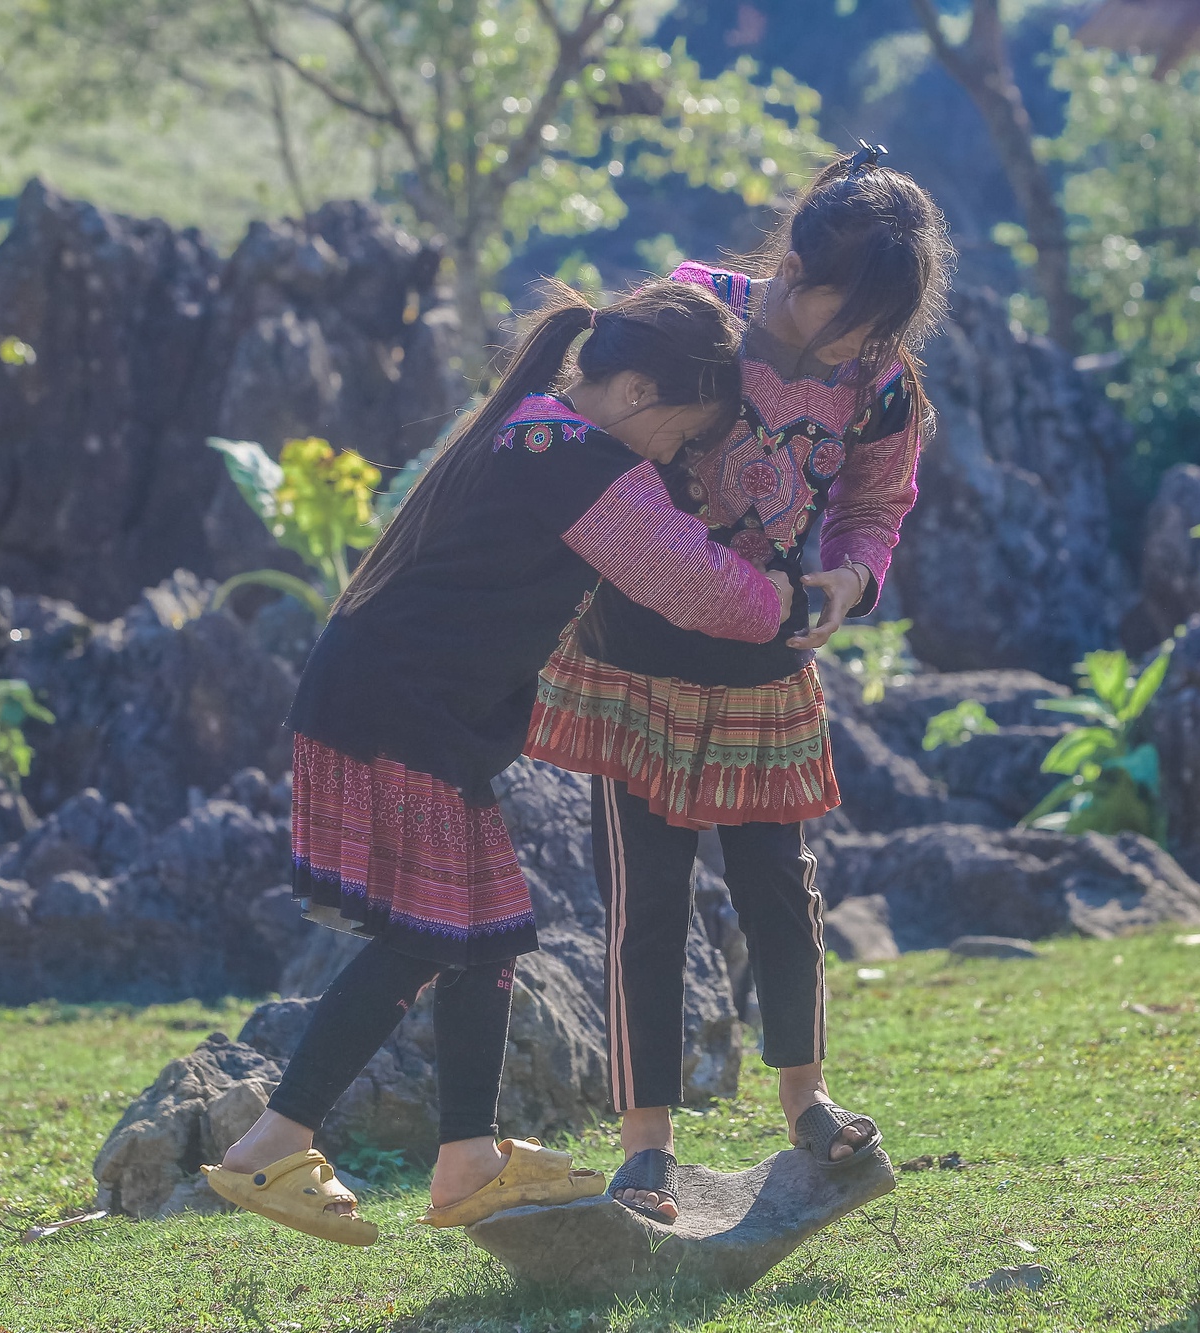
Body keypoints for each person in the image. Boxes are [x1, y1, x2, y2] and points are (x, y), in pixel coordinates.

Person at [202, 280, 795, 1245]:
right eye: (687, 434)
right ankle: (270, 1145)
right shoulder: (586, 466)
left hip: (391, 697)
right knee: (428, 933)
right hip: (403, 710)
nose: (681, 457)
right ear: (641, 393)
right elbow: (695, 585)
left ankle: (467, 1162)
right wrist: (790, 600)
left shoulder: (535, 425)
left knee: (485, 934)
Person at [523, 147, 954, 1223]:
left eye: (881, 329)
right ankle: (646, 1147)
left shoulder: (883, 384)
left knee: (781, 892)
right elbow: (592, 439)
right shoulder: (688, 314)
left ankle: (804, 1099)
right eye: (846, 316)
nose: (860, 344)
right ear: (795, 264)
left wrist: (852, 577)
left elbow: (875, 501)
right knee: (644, 904)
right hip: (633, 656)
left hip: (770, 666)